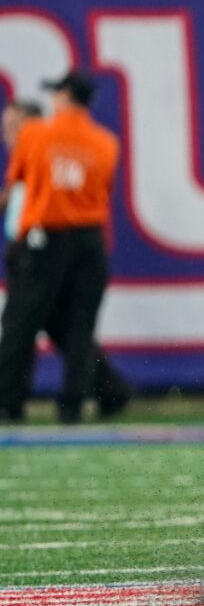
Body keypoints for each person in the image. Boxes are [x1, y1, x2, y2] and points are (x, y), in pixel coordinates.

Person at [0, 100, 132, 423]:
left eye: (15, 126)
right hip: (33, 251)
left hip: (45, 252)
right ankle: (111, 389)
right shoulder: (31, 158)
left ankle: (10, 401)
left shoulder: (44, 152)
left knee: (23, 325)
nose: (8, 134)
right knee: (64, 329)